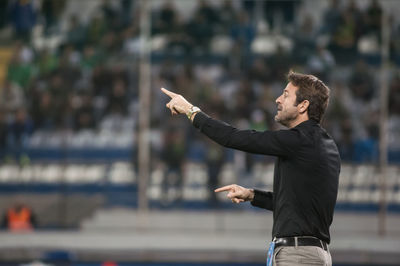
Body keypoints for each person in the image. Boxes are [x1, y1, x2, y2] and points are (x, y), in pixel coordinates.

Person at [161, 71, 340, 266]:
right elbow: (295, 205)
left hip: (298, 256)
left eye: (286, 95)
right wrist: (252, 195)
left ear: (303, 105)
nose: (278, 99)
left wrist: (191, 111)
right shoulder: (324, 145)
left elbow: (235, 137)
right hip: (308, 253)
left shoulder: (300, 141)